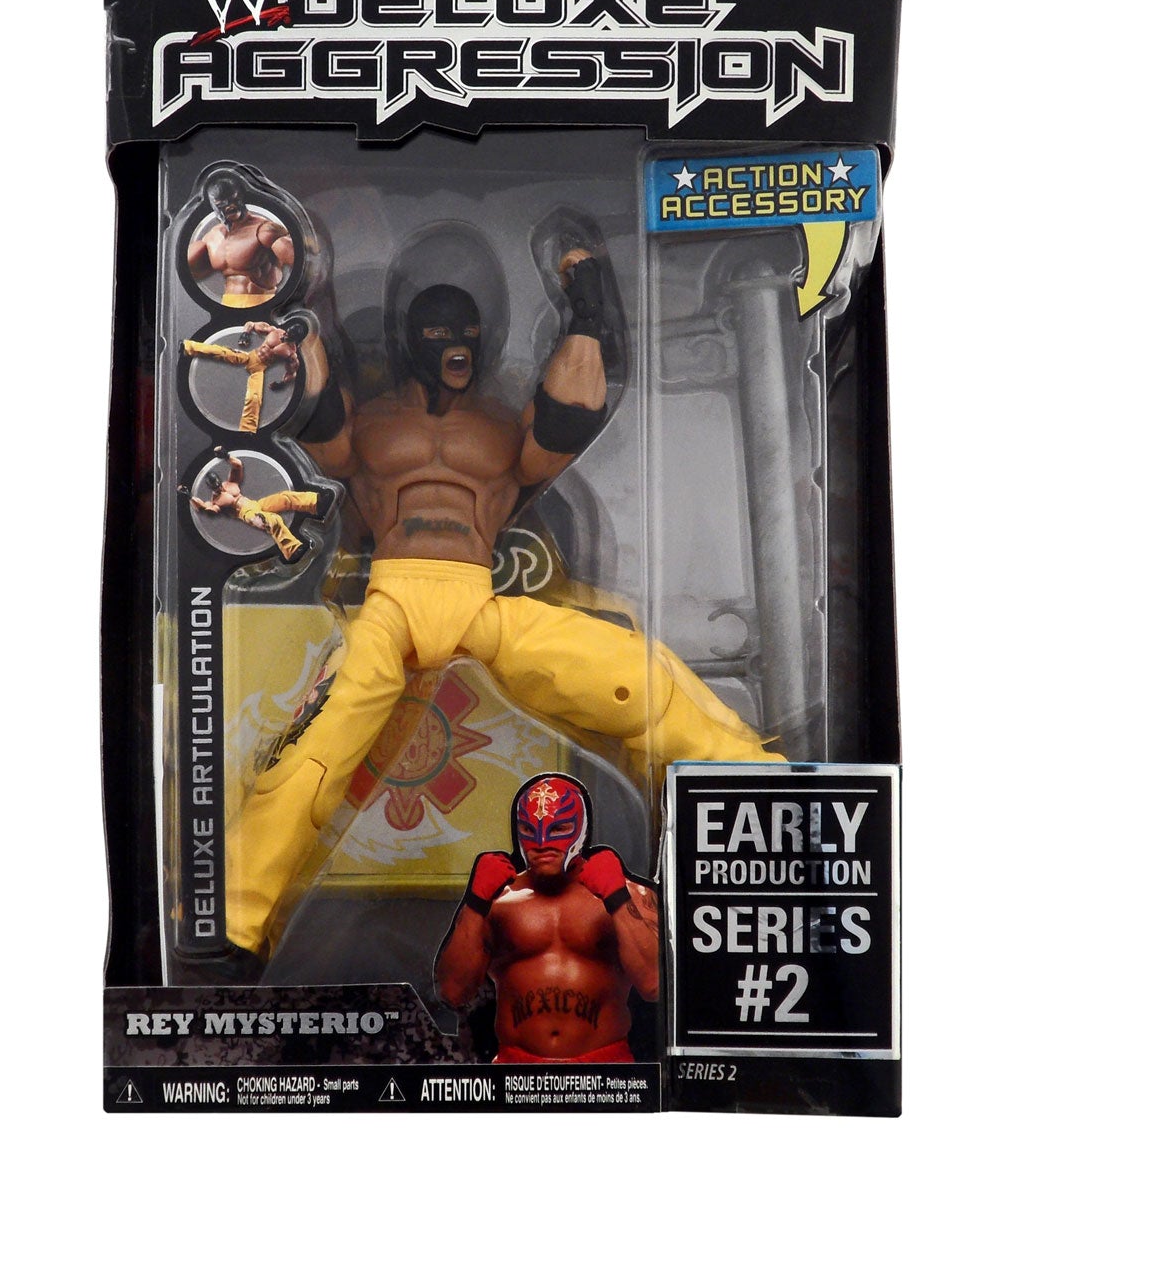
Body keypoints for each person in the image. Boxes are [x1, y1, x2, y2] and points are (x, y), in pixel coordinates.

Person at [225, 248, 782, 961]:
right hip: (388, 603)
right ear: (412, 340)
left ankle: (753, 780)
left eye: (466, 333)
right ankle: (234, 922)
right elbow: (319, 427)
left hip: (479, 604)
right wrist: (297, 314)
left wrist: (587, 311)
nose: (455, 347)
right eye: (439, 333)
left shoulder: (498, 427)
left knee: (634, 679)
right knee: (310, 761)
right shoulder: (372, 424)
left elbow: (567, 422)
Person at [435, 775, 658, 1063]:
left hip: (605, 1068)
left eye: (559, 828)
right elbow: (453, 992)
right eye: (529, 830)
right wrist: (476, 902)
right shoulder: (497, 902)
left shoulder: (631, 894)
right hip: (517, 1069)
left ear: (581, 829)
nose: (541, 843)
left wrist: (616, 898)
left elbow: (654, 985)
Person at [182, 450, 328, 561]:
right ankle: (292, 550)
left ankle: (316, 503)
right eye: (214, 485)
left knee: (285, 497)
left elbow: (237, 466)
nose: (218, 486)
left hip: (255, 504)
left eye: (217, 483)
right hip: (246, 514)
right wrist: (189, 496)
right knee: (273, 520)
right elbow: (205, 508)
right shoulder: (215, 501)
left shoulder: (229, 484)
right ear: (211, 487)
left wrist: (226, 456)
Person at [186, 173, 294, 308]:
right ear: (213, 207)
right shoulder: (211, 237)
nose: (230, 207)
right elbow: (184, 276)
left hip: (262, 306)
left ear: (241, 197)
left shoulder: (265, 230)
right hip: (228, 306)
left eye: (233, 200)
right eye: (222, 204)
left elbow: (304, 264)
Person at [181, 319, 301, 432]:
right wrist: (245, 334)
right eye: (287, 332)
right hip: (249, 357)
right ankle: (188, 346)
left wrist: (282, 383)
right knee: (222, 352)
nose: (285, 336)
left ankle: (247, 430)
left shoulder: (291, 353)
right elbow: (251, 324)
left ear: (295, 339)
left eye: (289, 336)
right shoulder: (275, 331)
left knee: (255, 398)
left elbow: (292, 372)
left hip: (259, 369)